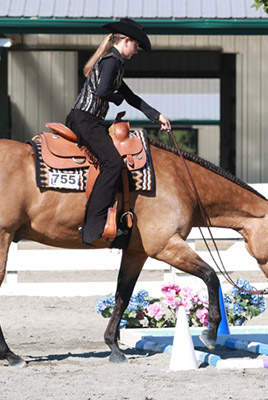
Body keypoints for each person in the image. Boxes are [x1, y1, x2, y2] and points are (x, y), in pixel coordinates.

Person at [66, 17, 171, 244]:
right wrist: (117, 97)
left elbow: (132, 98)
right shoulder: (112, 61)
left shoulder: (114, 62)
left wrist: (156, 115)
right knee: (113, 163)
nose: (135, 51)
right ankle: (93, 225)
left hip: (89, 119)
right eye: (136, 46)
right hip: (85, 119)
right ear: (126, 41)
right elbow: (104, 92)